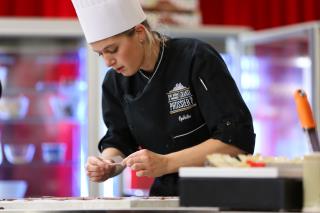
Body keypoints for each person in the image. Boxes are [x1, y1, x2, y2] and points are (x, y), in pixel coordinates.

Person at [71, 0, 255, 196]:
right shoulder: (115, 82)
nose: (108, 62)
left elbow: (236, 139)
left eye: (113, 50)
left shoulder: (195, 58)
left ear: (140, 33)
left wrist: (167, 163)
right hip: (165, 196)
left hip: (222, 192)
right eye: (100, 54)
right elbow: (119, 139)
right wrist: (108, 163)